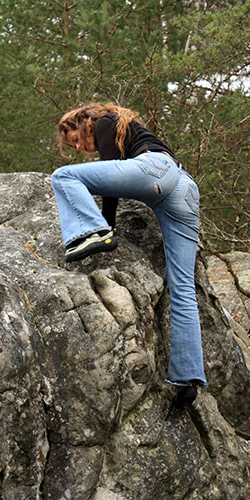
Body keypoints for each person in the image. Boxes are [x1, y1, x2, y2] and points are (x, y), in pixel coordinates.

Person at [51, 102, 207, 406]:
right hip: (183, 187)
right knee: (182, 286)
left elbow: (110, 183)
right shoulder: (125, 130)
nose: (81, 146)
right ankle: (188, 378)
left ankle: (87, 232)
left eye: (77, 138)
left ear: (84, 122)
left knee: (63, 176)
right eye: (75, 145)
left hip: (154, 170)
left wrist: (104, 229)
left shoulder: (105, 122)